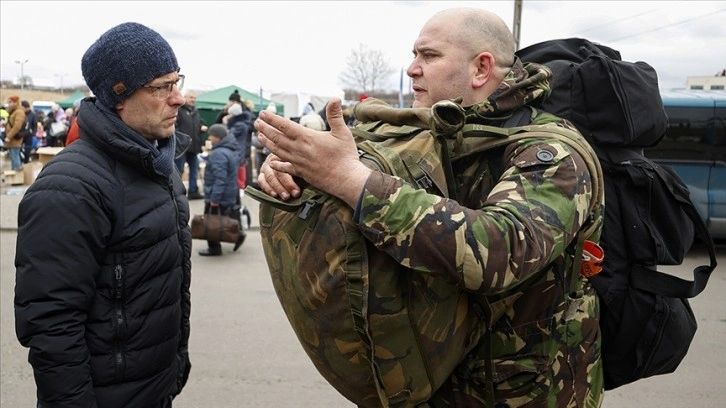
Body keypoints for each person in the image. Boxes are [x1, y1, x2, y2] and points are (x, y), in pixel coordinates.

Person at [254, 7, 603, 407]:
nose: (411, 69)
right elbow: (350, 167)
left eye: (428, 56)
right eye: (414, 55)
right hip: (434, 383)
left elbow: (497, 250)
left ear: (481, 68)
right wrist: (292, 168)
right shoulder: (427, 129)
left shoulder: (553, 153)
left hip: (530, 393)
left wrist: (350, 179)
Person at [14, 22, 192, 408]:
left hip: (154, 388)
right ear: (119, 98)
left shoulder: (158, 165)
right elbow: (51, 326)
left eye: (177, 81)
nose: (178, 98)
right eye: (162, 87)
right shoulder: (70, 186)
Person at [199, 123, 246, 256]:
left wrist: (214, 198)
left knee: (211, 221)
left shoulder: (219, 153)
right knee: (224, 217)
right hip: (229, 192)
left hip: (218, 193)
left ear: (218, 137)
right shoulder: (229, 150)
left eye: (211, 136)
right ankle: (238, 234)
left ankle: (214, 248)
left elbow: (220, 178)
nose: (209, 138)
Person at [175, 90, 208, 199]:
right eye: (191, 97)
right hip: (181, 147)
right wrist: (180, 139)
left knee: (195, 169)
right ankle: (176, 193)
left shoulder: (195, 111)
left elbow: (198, 124)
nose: (193, 99)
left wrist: (201, 127)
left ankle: (193, 191)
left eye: (194, 98)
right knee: (178, 170)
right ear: (185, 97)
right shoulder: (178, 110)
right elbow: (175, 127)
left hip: (194, 147)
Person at [3, 95, 26, 170]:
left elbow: (17, 126)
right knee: (13, 157)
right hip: (12, 139)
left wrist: (9, 136)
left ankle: (17, 175)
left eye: (10, 102)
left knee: (15, 157)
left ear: (15, 103)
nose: (9, 104)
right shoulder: (14, 111)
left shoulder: (19, 112)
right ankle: (15, 173)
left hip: (15, 139)